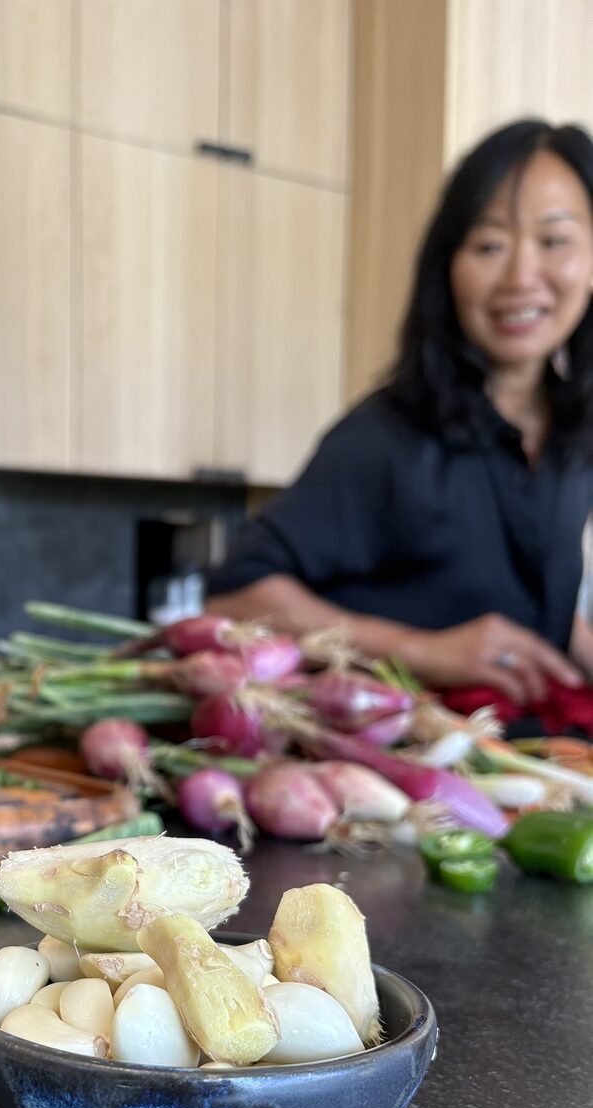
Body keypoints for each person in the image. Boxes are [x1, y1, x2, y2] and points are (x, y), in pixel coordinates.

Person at [207, 119, 593, 706]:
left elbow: (531, 607)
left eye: (555, 240)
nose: (520, 277)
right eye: (489, 245)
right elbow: (234, 599)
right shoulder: (385, 438)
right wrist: (421, 650)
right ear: (447, 269)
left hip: (531, 764)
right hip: (405, 774)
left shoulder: (573, 434)